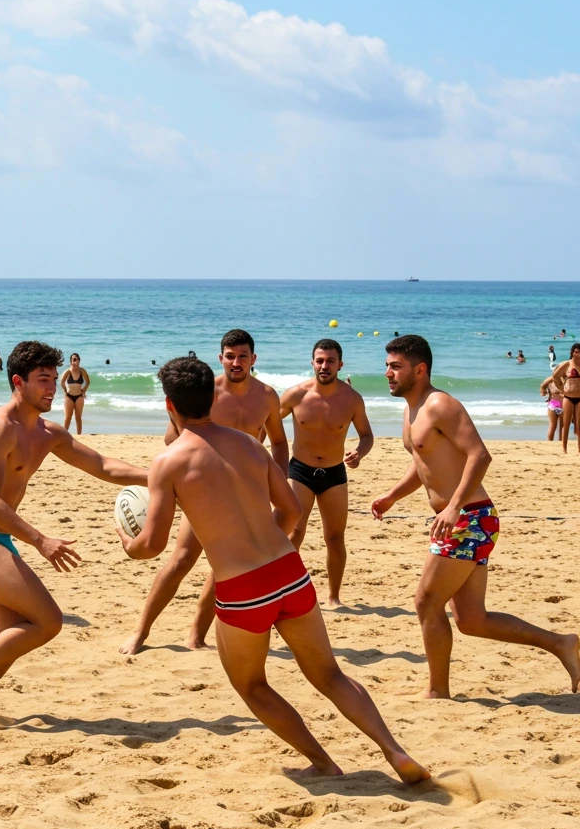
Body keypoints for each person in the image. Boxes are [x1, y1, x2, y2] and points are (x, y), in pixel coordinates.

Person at [118, 356, 429, 783]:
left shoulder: (168, 463)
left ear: (169, 405)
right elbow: (289, 512)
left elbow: (152, 546)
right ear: (212, 396)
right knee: (330, 674)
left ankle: (323, 762)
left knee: (252, 686)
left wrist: (127, 544)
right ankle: (394, 751)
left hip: (242, 588)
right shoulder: (249, 445)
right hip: (289, 570)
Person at [0, 341, 146, 728]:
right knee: (48, 622)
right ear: (18, 382)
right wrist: (41, 540)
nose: (52, 388)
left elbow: (103, 465)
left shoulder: (47, 432)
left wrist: (159, 477)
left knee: (13, 635)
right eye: (43, 380)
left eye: (54, 379)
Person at [371, 335, 580, 698]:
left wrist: (452, 506)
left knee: (426, 602)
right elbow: (423, 464)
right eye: (387, 365)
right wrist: (391, 496)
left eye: (395, 366)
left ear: (419, 370)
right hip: (460, 518)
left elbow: (479, 455)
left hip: (468, 517)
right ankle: (562, 643)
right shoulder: (411, 409)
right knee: (471, 620)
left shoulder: (440, 405)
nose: (387, 372)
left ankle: (438, 691)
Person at [119, 328, 288, 656]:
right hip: (204, 490)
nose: (236, 362)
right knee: (182, 559)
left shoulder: (267, 396)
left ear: (253, 359)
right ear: (220, 357)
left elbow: (278, 442)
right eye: (229, 355)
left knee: (224, 565)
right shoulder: (207, 393)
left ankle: (197, 636)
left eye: (242, 356)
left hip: (246, 491)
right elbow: (173, 437)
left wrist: (274, 481)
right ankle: (141, 631)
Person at [280, 339, 373, 609]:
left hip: (334, 473)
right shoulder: (296, 394)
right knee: (295, 533)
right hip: (299, 471)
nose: (324, 365)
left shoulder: (352, 399)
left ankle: (333, 597)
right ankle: (284, 591)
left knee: (335, 537)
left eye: (330, 361)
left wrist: (360, 452)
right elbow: (267, 423)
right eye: (320, 360)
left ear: (340, 364)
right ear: (312, 363)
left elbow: (366, 435)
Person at [552, 344, 580, 454]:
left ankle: (579, 448)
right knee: (566, 423)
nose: (578, 353)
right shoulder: (567, 364)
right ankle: (564, 448)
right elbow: (555, 376)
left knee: (579, 425)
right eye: (576, 351)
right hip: (568, 397)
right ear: (572, 352)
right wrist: (562, 389)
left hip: (579, 398)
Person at [60, 352, 90, 435]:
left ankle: (79, 435)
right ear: (71, 361)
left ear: (79, 361)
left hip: (79, 397)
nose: (75, 361)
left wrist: (84, 390)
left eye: (77, 359)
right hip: (69, 397)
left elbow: (88, 381)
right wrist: (65, 391)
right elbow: (62, 382)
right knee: (67, 418)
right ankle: (64, 435)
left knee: (78, 417)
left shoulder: (82, 371)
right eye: (74, 359)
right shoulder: (68, 371)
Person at [541, 373, 564, 441]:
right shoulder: (565, 381)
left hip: (555, 405)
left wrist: (543, 392)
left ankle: (554, 442)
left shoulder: (551, 381)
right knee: (558, 427)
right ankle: (555, 442)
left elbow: (542, 387)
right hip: (560, 405)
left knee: (556, 426)